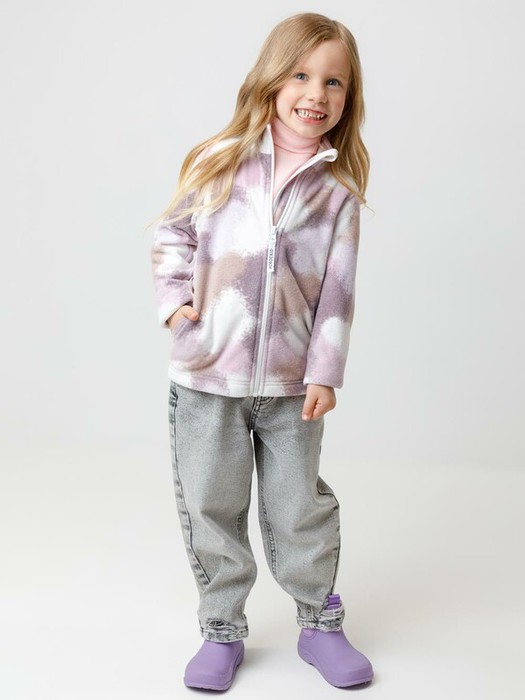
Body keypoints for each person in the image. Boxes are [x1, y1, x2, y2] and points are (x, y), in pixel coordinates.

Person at [148, 11, 374, 692]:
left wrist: (325, 372)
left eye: (334, 82)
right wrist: (175, 303)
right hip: (206, 375)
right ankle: (221, 629)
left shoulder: (336, 192)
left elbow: (337, 291)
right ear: (272, 79)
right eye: (301, 75)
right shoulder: (219, 159)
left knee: (297, 506)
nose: (316, 93)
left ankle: (319, 624)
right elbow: (172, 233)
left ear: (349, 96)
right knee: (211, 505)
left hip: (290, 384)